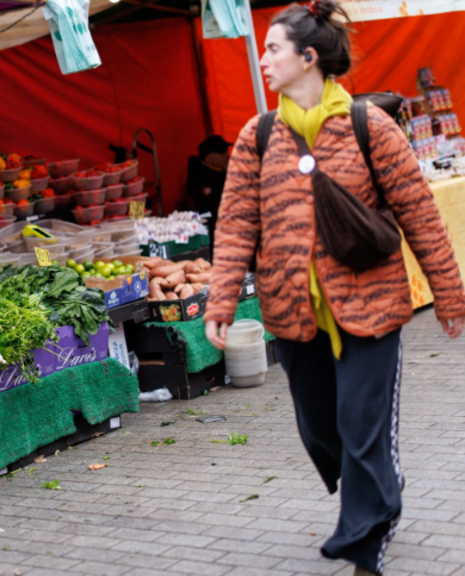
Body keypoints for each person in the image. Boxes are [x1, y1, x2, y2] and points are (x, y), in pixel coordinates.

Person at [204, 2, 465, 575]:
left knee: (360, 424)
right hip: (293, 312)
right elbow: (236, 222)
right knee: (322, 428)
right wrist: (221, 298)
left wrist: (449, 296)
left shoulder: (372, 127)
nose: (264, 59)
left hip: (370, 309)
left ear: (308, 56)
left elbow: (420, 215)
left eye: (273, 49)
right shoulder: (259, 134)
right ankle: (377, 491)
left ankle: (365, 538)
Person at [185, 134, 231, 239]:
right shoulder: (199, 179)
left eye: (226, 151)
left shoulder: (223, 172)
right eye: (221, 152)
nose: (227, 155)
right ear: (209, 157)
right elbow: (211, 209)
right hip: (215, 234)